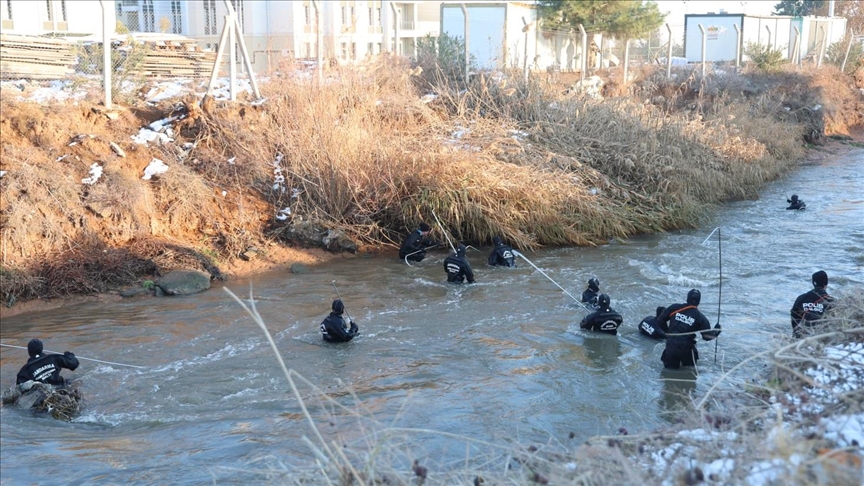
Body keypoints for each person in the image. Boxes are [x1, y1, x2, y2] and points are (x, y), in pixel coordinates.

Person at [657, 289, 721, 369]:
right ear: (698, 302)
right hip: (687, 351)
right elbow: (707, 337)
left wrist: (668, 333)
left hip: (671, 348)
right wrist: (716, 331)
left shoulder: (674, 308)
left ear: (687, 298)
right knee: (689, 373)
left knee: (669, 373)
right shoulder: (701, 317)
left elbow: (660, 320)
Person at [790, 270, 834, 338]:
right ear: (826, 283)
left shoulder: (801, 298)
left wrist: (796, 332)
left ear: (813, 283)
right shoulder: (830, 301)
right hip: (820, 337)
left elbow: (794, 316)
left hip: (802, 337)